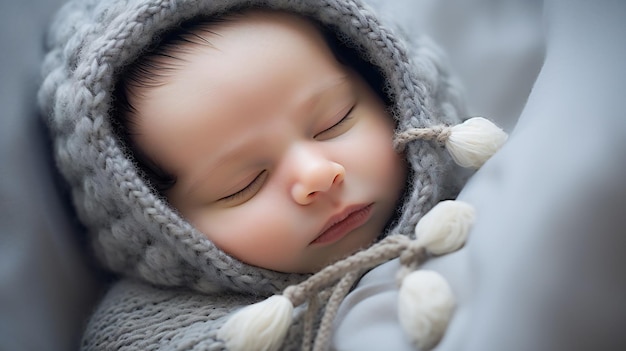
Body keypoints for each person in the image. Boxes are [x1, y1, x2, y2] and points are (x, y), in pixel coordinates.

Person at [39, 0, 505, 349]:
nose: (318, 176)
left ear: (388, 86)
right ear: (159, 225)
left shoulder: (496, 180)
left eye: (335, 120)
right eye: (242, 185)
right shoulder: (155, 332)